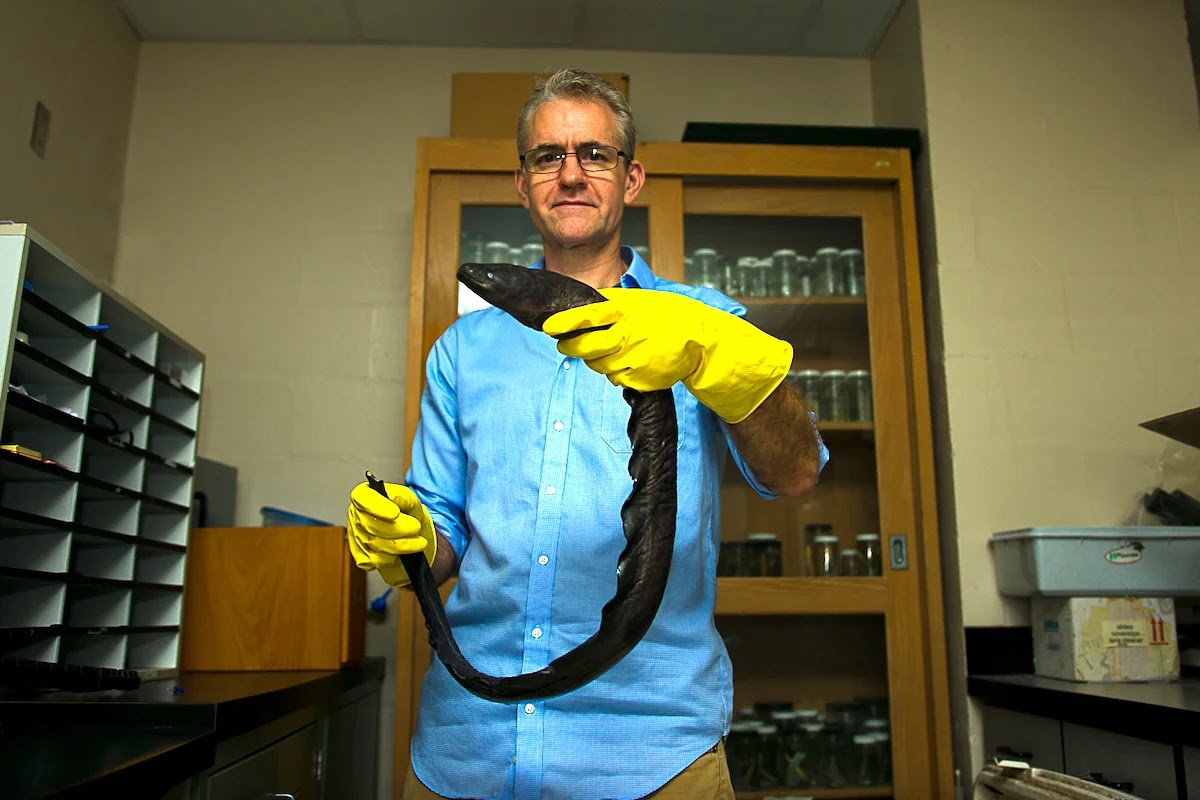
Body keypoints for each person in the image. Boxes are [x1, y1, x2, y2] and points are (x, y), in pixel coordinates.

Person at [346, 67, 829, 800]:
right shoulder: (463, 350)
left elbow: (795, 473)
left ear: (631, 177)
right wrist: (411, 537)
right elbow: (442, 541)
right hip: (464, 750)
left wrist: (720, 357)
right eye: (548, 157)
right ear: (522, 182)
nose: (571, 175)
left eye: (594, 155)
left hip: (656, 754)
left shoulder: (701, 321)